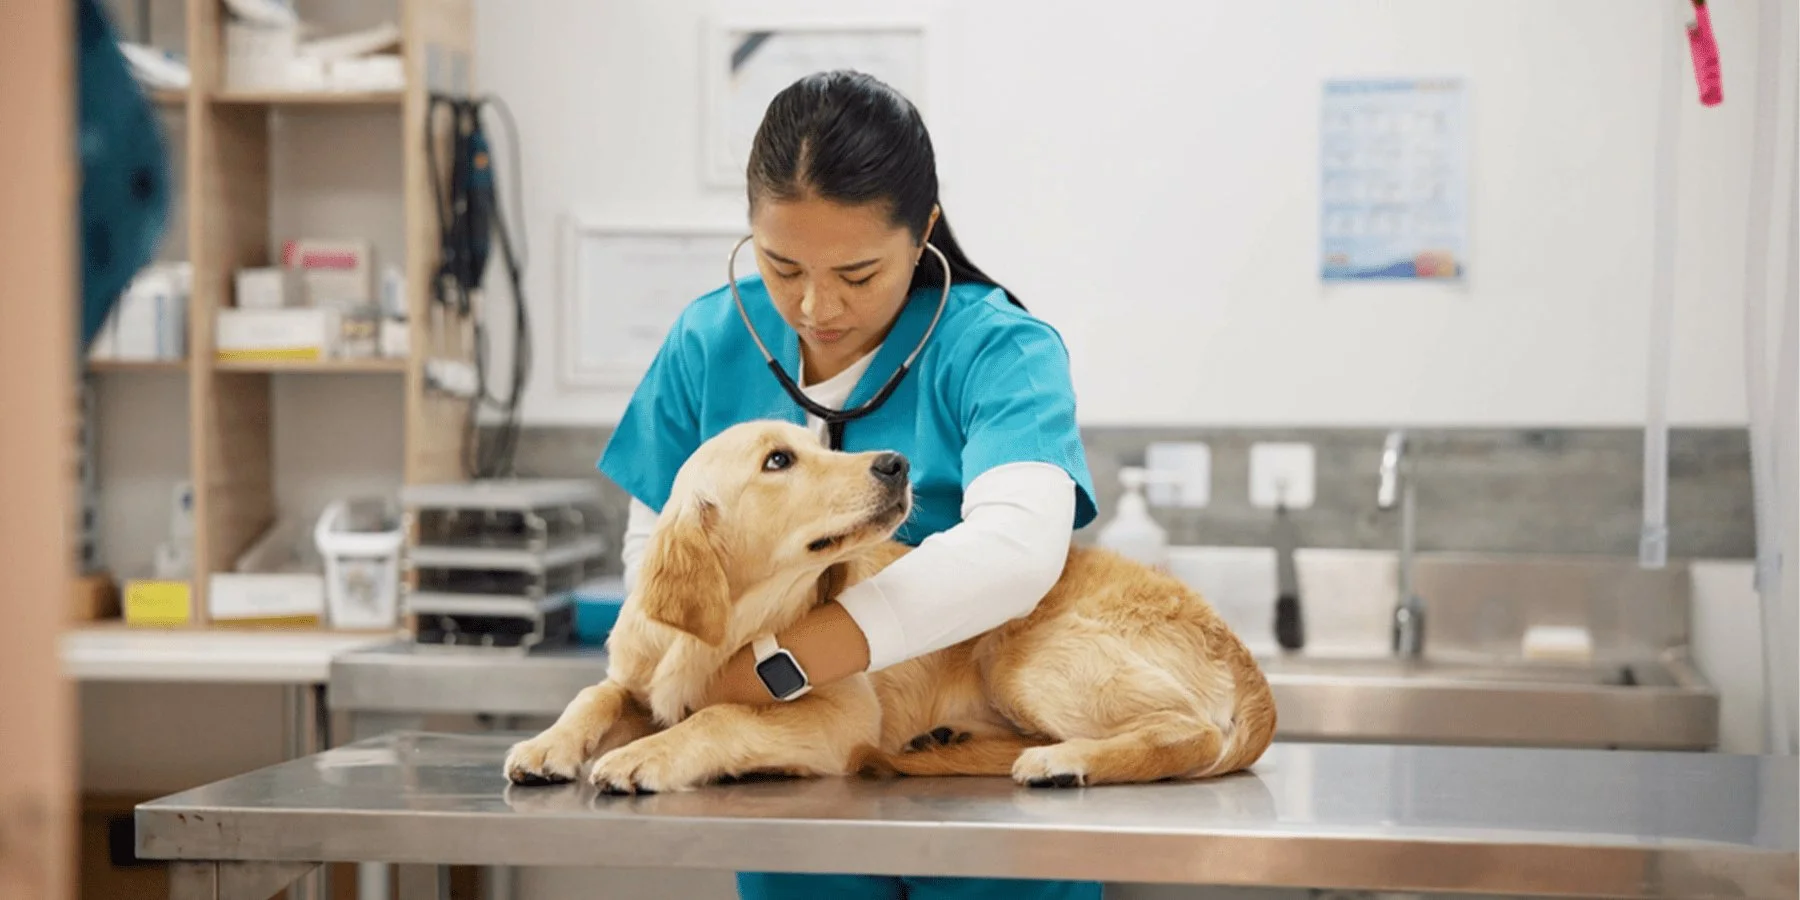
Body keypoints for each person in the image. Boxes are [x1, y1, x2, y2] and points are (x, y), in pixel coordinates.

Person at [597, 69, 1102, 900]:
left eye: (858, 274)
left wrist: (779, 666)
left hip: (982, 788)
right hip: (787, 788)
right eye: (780, 263)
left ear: (924, 230)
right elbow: (656, 555)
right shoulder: (707, 341)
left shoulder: (999, 350)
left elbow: (1018, 549)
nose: (813, 306)